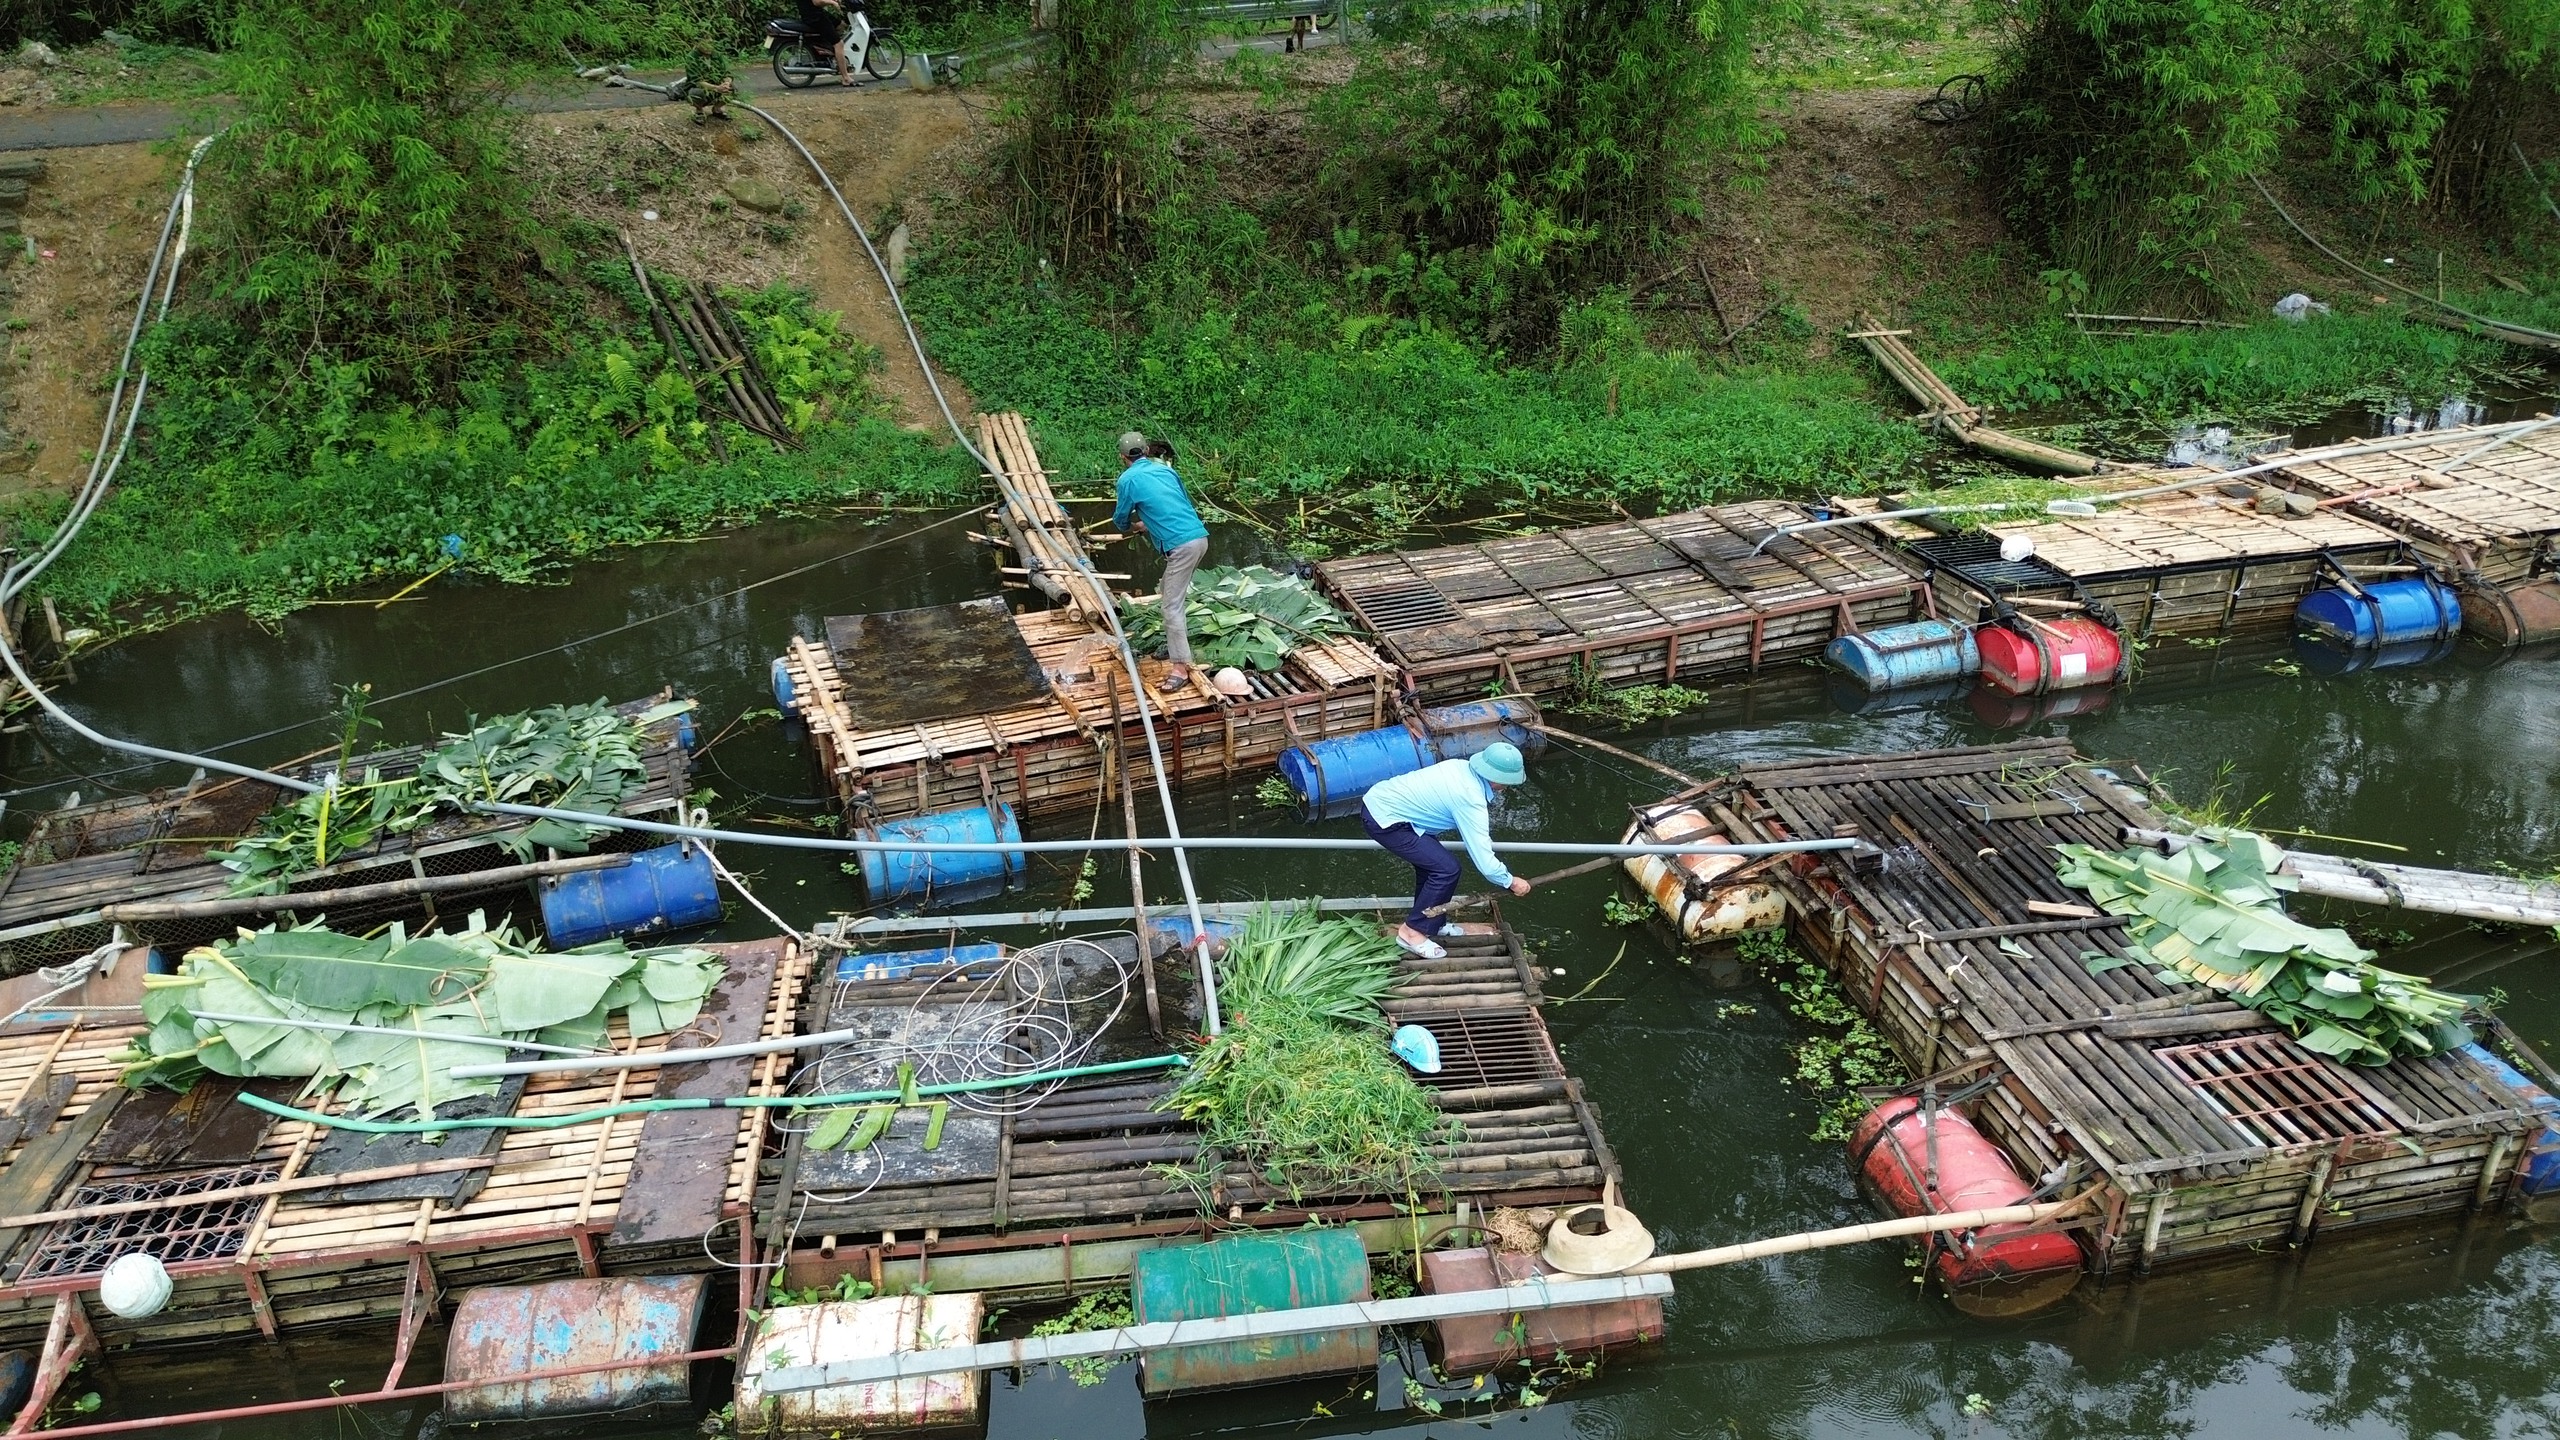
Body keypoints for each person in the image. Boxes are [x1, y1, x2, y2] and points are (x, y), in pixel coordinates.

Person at [1360, 743, 1532, 959]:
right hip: (1386, 819)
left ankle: (1432, 922)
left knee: (1433, 867)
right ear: (1500, 779)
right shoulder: (1470, 797)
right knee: (1446, 870)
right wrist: (1510, 881)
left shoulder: (1460, 766)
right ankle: (1411, 932)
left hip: (1388, 805)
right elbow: (1484, 858)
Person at [1111, 429, 1210, 693]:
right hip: (1198, 537)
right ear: (1145, 451)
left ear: (1123, 457)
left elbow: (1120, 519)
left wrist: (1132, 526)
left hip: (1180, 546)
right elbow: (1179, 504)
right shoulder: (1166, 470)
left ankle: (1180, 668)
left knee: (1171, 608)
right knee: (1168, 591)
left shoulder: (1127, 480)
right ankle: (1176, 643)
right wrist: (1150, 522)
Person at [797, 0, 858, 84]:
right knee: (838, 44)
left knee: (841, 25)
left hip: (814, 13)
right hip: (815, 17)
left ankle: (833, 57)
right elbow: (817, 2)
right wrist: (832, 2)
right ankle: (845, 78)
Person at [684, 39, 734, 123]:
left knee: (733, 89)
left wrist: (727, 83)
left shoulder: (716, 55)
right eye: (706, 44)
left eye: (711, 43)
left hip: (717, 85)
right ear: (698, 43)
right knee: (696, 93)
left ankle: (717, 109)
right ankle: (699, 111)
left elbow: (726, 73)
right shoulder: (692, 57)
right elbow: (697, 81)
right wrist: (716, 88)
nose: (709, 46)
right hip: (701, 87)